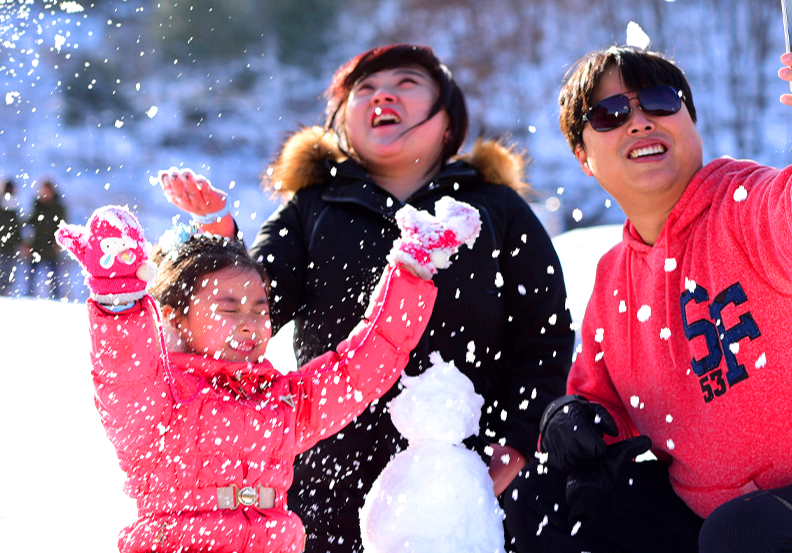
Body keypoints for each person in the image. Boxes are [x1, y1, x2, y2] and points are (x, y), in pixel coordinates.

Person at [503, 37, 792, 553]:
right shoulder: (614, 280)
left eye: (661, 102)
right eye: (611, 113)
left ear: (690, 122)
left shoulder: (744, 206)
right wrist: (573, 417)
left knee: (744, 529)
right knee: (545, 500)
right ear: (583, 156)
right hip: (721, 531)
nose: (640, 121)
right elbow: (603, 403)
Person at [159, 43, 575, 552]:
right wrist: (222, 240)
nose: (383, 97)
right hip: (329, 476)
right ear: (343, 124)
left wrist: (518, 435)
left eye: (406, 84)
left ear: (448, 122)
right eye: (365, 90)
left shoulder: (495, 207)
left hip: (470, 474)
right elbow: (251, 309)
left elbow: (544, 330)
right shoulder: (311, 208)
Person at [55, 197, 480, 553]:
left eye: (260, 309)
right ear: (175, 319)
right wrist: (119, 300)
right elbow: (122, 374)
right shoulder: (159, 401)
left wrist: (413, 269)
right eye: (229, 308)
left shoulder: (283, 401)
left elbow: (362, 365)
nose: (251, 322)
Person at [26, 178, 68, 298]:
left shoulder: (58, 208)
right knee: (31, 274)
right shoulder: (36, 206)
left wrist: (58, 243)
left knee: (54, 274)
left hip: (51, 246)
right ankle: (29, 295)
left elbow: (62, 227)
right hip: (37, 245)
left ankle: (56, 296)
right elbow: (30, 224)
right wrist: (27, 243)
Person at [0, 179, 24, 296]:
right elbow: (16, 227)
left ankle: (4, 291)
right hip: (7, 245)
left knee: (7, 271)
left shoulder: (12, 206)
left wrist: (20, 242)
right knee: (6, 271)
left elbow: (15, 227)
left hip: (9, 246)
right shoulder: (11, 205)